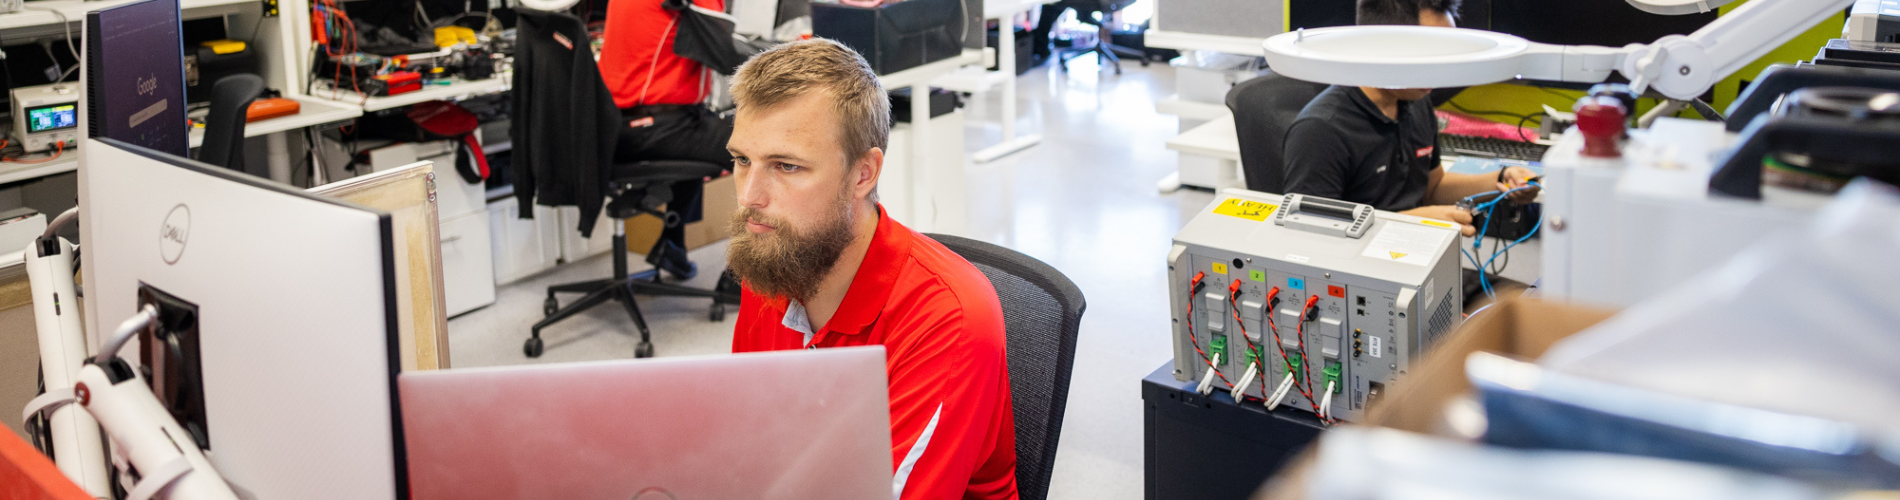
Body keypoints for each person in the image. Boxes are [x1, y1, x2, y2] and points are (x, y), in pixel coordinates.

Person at [723, 39, 1020, 500]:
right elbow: (749, 443)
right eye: (742, 160)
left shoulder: (950, 320)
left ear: (864, 174)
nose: (750, 197)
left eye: (786, 165)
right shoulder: (775, 259)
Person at [1281, 0, 1538, 236]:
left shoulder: (1415, 102)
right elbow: (1310, 236)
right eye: (1429, 53)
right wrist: (1412, 221)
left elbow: (1432, 187)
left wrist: (1502, 179)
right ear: (1379, 46)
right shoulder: (1321, 129)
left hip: (1416, 259)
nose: (1441, 69)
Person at [599, 0, 733, 278]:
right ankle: (748, 278)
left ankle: (672, 244)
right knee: (757, 148)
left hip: (614, 126)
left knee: (704, 127)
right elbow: (727, 55)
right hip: (654, 126)